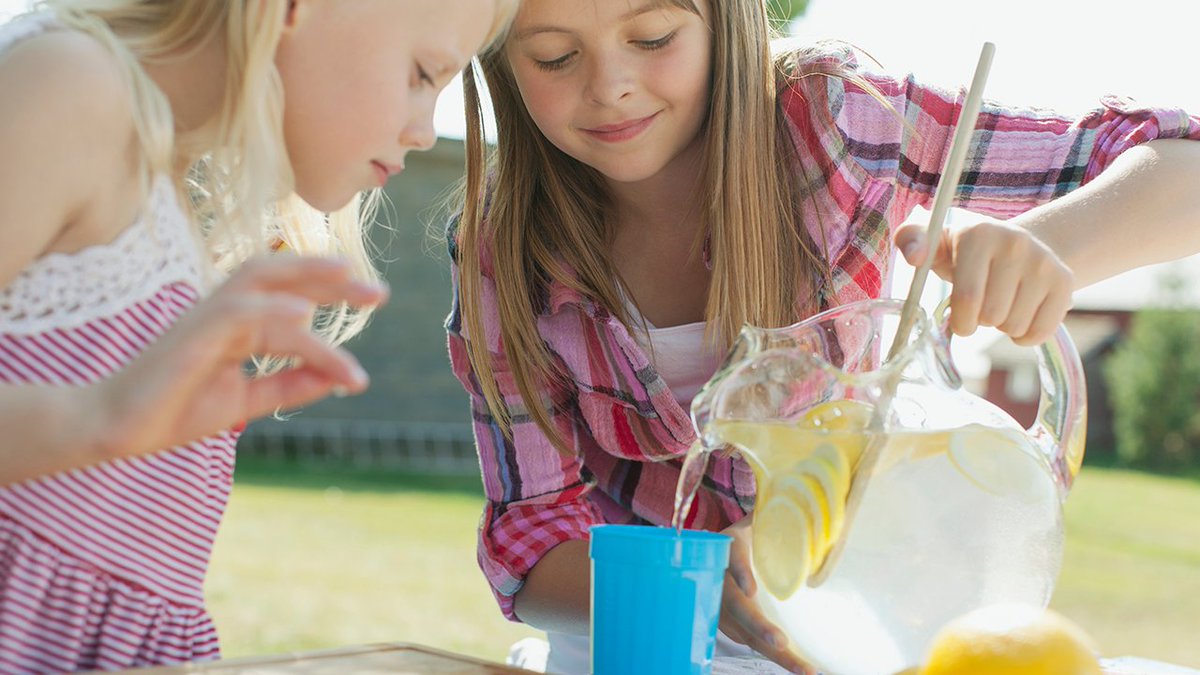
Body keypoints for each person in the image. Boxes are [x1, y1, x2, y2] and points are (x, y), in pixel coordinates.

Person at [444, 0, 1200, 673]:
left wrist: (1047, 245)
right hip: (624, 641)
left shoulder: (837, 121)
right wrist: (700, 586)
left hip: (855, 623)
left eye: (652, 35)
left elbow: (1184, 167)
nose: (609, 84)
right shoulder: (502, 249)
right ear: (501, 58)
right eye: (554, 55)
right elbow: (529, 534)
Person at [0, 0, 516, 671]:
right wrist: (98, 416)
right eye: (422, 73)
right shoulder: (70, 88)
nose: (425, 131)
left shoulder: (165, 203)